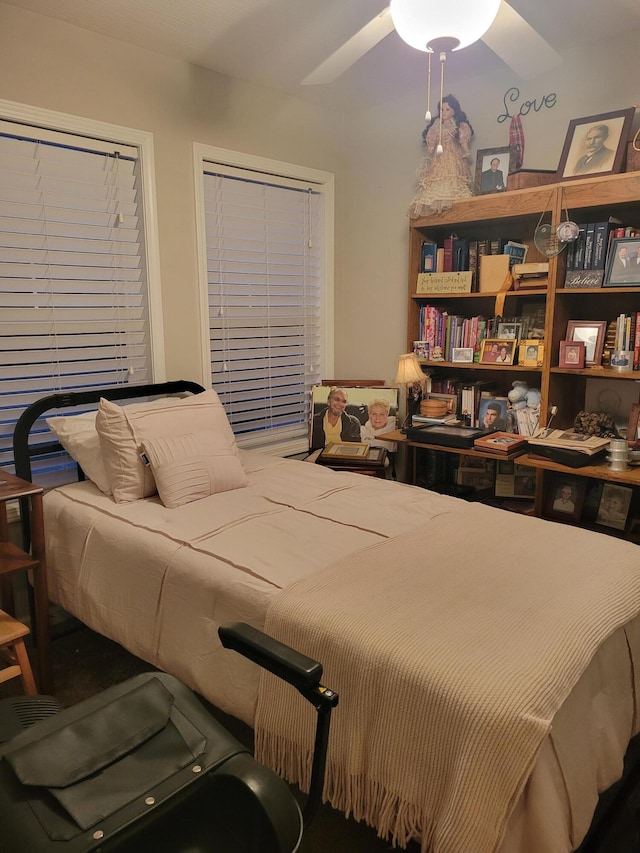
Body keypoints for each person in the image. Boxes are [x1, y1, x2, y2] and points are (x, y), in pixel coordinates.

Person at [408, 94, 474, 218]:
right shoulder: (436, 126)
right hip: (439, 158)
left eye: (447, 109)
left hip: (453, 158)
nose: (444, 112)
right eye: (441, 109)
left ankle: (452, 209)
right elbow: (431, 144)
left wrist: (465, 150)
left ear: (454, 111)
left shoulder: (459, 125)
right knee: (436, 183)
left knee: (454, 181)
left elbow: (463, 141)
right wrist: (430, 151)